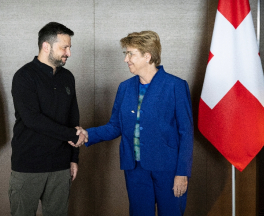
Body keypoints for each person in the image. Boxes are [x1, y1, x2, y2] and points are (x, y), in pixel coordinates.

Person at [72, 31, 193, 215]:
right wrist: (88, 134)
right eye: (125, 54)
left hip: (168, 170)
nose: (126, 59)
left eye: (131, 54)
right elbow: (115, 126)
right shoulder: (125, 88)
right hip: (135, 169)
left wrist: (182, 173)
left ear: (147, 56)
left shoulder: (176, 86)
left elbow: (186, 132)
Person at [9, 22, 87, 216]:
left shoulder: (68, 77)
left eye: (69, 48)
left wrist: (73, 158)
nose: (68, 53)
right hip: (28, 167)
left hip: (60, 167)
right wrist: (72, 134)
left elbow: (73, 118)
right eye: (64, 47)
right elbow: (32, 119)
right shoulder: (24, 76)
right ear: (46, 46)